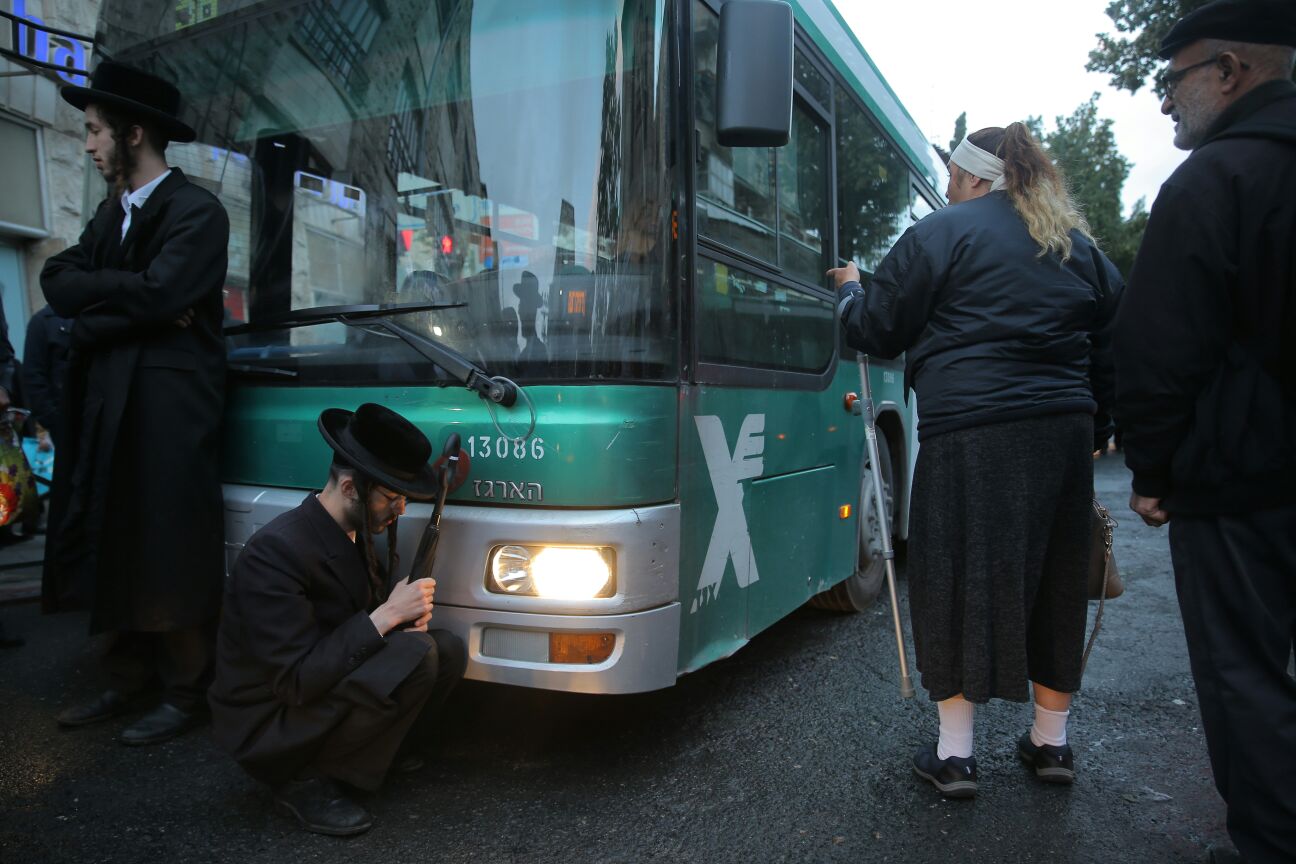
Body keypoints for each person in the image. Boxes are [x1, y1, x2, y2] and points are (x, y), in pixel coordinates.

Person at [830, 124, 1123, 798]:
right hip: (1062, 435)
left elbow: (878, 326)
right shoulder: (1078, 247)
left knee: (955, 576)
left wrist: (850, 291)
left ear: (969, 177)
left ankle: (956, 757)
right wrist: (1098, 425)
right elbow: (1115, 346)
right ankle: (1052, 746)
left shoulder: (943, 231)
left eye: (954, 178)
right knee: (1054, 580)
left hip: (970, 433)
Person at [1112, 1, 1296, 861]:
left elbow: (1159, 345)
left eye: (1171, 79)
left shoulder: (1216, 179)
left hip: (1240, 484)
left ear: (1229, 70)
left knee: (1245, 675)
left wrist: (1152, 470)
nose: (1163, 102)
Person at [39, 60, 230, 746]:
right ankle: (126, 679)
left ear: (135, 133)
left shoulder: (198, 211)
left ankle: (186, 691)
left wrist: (104, 307)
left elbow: (163, 294)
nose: (88, 144)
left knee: (168, 541)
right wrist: (126, 304)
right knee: (111, 532)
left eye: (94, 131)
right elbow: (57, 281)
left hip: (167, 410)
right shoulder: (109, 214)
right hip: (110, 400)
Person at [209, 403, 466, 837]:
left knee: (447, 649)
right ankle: (306, 779)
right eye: (392, 497)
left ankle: (377, 753)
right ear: (350, 487)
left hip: (323, 683)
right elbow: (294, 681)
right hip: (274, 718)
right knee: (417, 654)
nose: (400, 510)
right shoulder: (276, 553)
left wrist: (399, 619)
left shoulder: (354, 532)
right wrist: (386, 616)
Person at [22, 304, 73, 448]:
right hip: (64, 423)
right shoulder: (42, 322)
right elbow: (33, 377)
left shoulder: (92, 317)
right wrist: (54, 421)